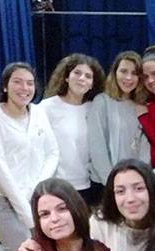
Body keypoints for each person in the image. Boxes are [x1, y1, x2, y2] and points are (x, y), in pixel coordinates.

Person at [0, 62, 59, 251]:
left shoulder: (38, 113)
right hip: (5, 202)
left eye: (30, 83)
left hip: (37, 198)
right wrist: (29, 219)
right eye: (17, 82)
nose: (24, 88)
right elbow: (0, 172)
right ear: (5, 86)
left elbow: (52, 152)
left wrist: (36, 188)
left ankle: (9, 240)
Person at [16, 159, 155, 251]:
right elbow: (71, 246)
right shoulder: (100, 223)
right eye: (120, 191)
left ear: (152, 190)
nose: (130, 199)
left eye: (139, 189)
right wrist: (36, 243)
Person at [41, 53, 106, 204]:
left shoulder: (94, 108)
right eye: (77, 73)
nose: (82, 78)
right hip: (55, 185)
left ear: (92, 84)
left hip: (87, 185)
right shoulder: (47, 107)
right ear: (66, 77)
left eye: (88, 76)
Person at [87, 51, 151, 187]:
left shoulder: (142, 106)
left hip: (134, 181)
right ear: (115, 73)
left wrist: (140, 177)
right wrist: (112, 183)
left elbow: (145, 148)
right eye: (123, 71)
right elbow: (97, 146)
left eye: (134, 73)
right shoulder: (102, 102)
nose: (128, 78)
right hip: (105, 182)